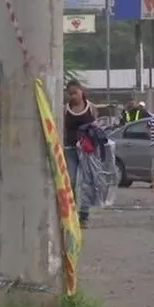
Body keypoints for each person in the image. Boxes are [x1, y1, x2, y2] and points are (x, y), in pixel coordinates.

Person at [64, 80, 97, 229]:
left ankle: (84, 214)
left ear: (81, 91)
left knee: (86, 181)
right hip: (70, 148)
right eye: (70, 94)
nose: (73, 97)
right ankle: (71, 212)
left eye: (75, 93)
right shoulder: (65, 109)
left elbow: (96, 128)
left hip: (86, 150)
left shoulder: (91, 108)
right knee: (70, 180)